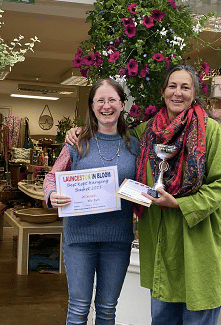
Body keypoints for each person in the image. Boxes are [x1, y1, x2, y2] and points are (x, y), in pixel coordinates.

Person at [67, 65, 221, 325]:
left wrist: (180, 203)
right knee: (162, 317)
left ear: (195, 93)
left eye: (185, 87)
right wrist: (82, 132)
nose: (178, 93)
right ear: (163, 91)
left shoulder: (211, 131)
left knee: (199, 314)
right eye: (172, 86)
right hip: (162, 240)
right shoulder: (145, 133)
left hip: (200, 238)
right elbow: (113, 140)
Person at [43, 78, 139, 325]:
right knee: (78, 309)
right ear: (92, 106)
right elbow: (52, 176)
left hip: (117, 240)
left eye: (112, 100)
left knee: (107, 309)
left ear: (122, 105)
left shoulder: (135, 145)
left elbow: (143, 184)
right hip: (79, 240)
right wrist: (51, 195)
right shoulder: (76, 142)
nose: (106, 106)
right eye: (100, 101)